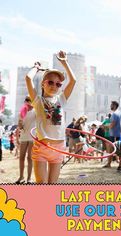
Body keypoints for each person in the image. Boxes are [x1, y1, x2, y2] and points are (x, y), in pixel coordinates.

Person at [25, 51, 76, 183]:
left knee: (52, 186)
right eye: (50, 82)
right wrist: (36, 68)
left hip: (58, 147)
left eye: (58, 84)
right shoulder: (37, 100)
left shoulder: (61, 100)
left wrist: (64, 62)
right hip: (42, 146)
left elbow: (73, 80)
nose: (54, 86)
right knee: (41, 186)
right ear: (43, 83)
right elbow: (28, 78)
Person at [15, 96, 36, 184]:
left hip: (32, 137)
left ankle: (29, 178)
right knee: (21, 157)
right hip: (23, 137)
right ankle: (21, 177)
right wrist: (20, 124)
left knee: (30, 158)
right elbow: (19, 127)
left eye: (29, 100)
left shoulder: (35, 111)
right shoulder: (22, 112)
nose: (27, 102)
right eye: (26, 100)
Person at [103, 101, 121, 168]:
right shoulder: (119, 113)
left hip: (114, 135)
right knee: (115, 150)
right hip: (117, 134)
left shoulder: (115, 114)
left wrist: (105, 126)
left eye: (111, 105)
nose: (110, 106)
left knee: (114, 150)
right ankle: (110, 163)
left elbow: (112, 125)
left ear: (114, 105)